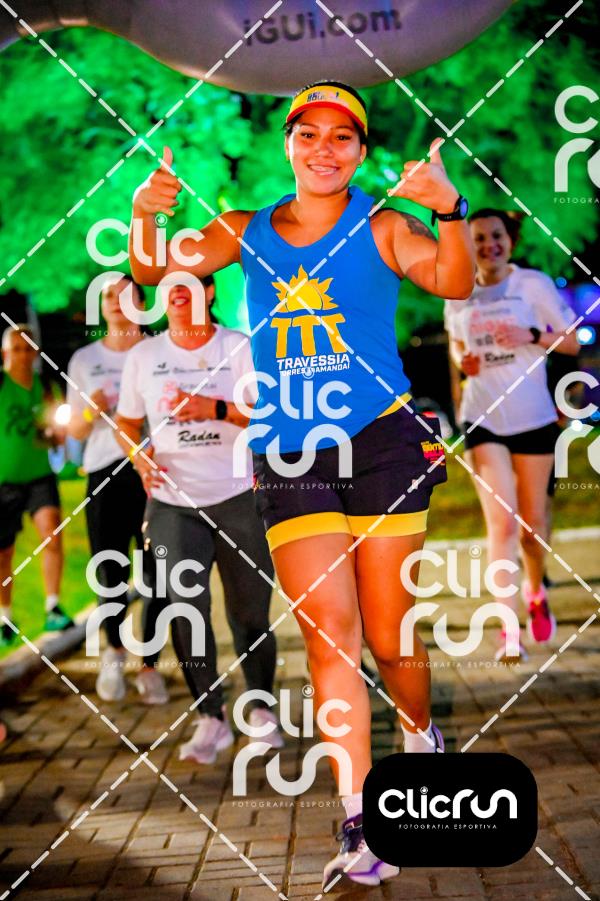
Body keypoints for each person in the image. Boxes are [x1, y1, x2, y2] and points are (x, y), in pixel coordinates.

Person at [128, 80, 474, 889]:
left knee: (390, 636)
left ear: (361, 150)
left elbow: (454, 281)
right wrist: (145, 213)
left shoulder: (384, 225)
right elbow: (153, 270)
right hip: (289, 454)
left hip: (381, 442)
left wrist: (451, 209)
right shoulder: (243, 229)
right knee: (330, 635)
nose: (324, 148)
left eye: (342, 136)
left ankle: (419, 732)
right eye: (308, 133)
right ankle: (361, 815)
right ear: (287, 143)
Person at [114, 277, 282, 763]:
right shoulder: (143, 356)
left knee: (249, 614)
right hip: (171, 502)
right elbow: (126, 424)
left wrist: (216, 409)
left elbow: (269, 415)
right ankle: (212, 717)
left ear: (209, 291)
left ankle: (261, 710)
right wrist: (139, 456)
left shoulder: (238, 347)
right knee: (186, 608)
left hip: (238, 496)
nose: (178, 289)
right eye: (170, 283)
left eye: (190, 281)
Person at [444, 208, 579, 662]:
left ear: (510, 240)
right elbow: (456, 342)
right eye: (478, 239)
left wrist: (532, 334)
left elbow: (571, 341)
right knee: (500, 524)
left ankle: (535, 590)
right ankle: (508, 629)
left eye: (495, 236)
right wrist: (463, 361)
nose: (489, 246)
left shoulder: (532, 285)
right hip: (482, 418)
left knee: (531, 529)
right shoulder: (458, 288)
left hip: (533, 417)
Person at [67, 276, 169, 704]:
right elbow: (74, 430)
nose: (114, 301)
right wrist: (90, 411)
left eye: (125, 294)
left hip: (154, 472)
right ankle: (113, 652)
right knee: (111, 570)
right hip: (104, 472)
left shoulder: (160, 350)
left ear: (142, 304)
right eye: (108, 295)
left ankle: (150, 667)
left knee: (159, 574)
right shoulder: (84, 359)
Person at [0, 325, 73, 649]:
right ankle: (5, 617)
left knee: (52, 534)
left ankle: (53, 606)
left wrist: (57, 435)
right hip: (4, 482)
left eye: (28, 348)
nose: (23, 355)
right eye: (16, 349)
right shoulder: (2, 385)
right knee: (4, 553)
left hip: (40, 476)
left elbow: (52, 432)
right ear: (5, 353)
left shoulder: (45, 387)